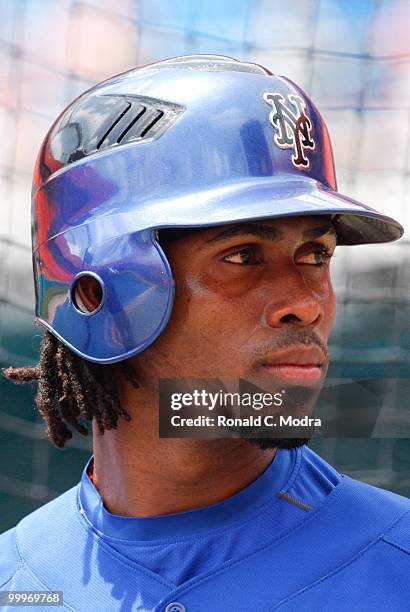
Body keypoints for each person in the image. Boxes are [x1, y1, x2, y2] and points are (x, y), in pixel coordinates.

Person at [1, 55, 409, 612]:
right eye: (244, 257)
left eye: (315, 255)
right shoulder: (17, 583)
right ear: (97, 292)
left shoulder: (397, 561)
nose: (307, 304)